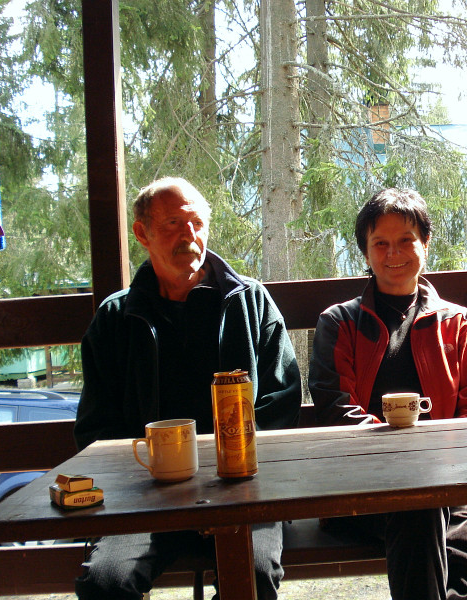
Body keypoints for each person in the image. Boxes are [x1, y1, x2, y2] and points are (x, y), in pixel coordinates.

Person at [73, 177, 302, 600]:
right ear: (142, 233)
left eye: (197, 223)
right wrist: (153, 478)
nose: (189, 235)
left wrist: (232, 476)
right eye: (173, 223)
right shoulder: (116, 318)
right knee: (106, 582)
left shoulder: (249, 302)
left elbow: (281, 401)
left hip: (241, 493)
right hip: (145, 498)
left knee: (252, 576)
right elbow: (95, 426)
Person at [308, 188, 467, 600]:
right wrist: (409, 464)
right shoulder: (340, 323)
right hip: (363, 484)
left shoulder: (457, 322)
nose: (393, 253)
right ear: (365, 252)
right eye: (380, 243)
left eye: (405, 240)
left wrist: (439, 467)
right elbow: (335, 407)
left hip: (455, 477)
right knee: (418, 508)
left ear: (425, 244)